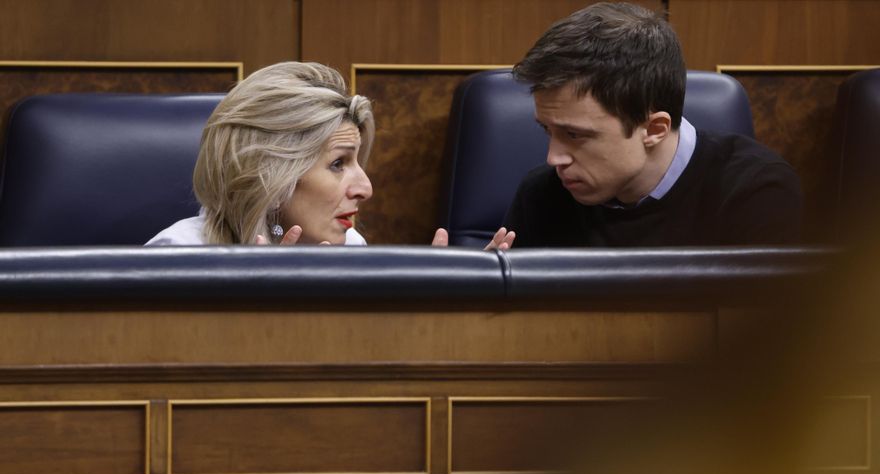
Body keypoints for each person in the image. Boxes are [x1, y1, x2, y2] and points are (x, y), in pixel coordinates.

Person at [502, 2, 802, 247]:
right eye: (547, 130)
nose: (554, 158)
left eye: (574, 134)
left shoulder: (757, 193)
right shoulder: (541, 195)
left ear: (655, 129)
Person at [147, 61, 515, 249]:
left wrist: (445, 307)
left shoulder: (348, 247)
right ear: (269, 175)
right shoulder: (178, 254)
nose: (365, 188)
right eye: (338, 163)